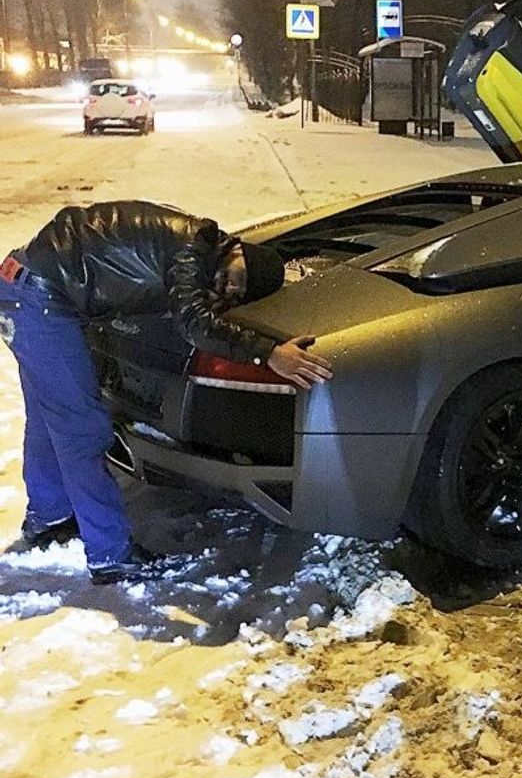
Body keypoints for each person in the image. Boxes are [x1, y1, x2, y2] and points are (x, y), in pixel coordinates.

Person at [0, 201, 332, 584]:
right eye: (237, 279)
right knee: (83, 431)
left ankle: (49, 516)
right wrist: (269, 353)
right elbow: (195, 325)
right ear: (238, 251)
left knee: (48, 418)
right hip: (41, 299)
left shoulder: (195, 244)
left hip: (23, 284)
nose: (229, 288)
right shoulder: (193, 250)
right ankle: (110, 555)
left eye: (237, 294)